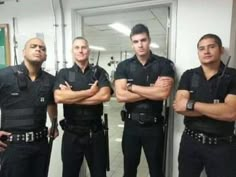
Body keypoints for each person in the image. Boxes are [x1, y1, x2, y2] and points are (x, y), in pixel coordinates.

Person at [114, 24, 175, 177]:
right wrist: (152, 89)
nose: (140, 45)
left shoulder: (164, 64)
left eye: (143, 40)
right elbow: (120, 96)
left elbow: (163, 94)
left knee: (156, 171)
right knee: (129, 170)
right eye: (135, 41)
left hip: (154, 127)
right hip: (131, 126)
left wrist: (132, 87)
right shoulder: (123, 66)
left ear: (149, 40)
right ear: (131, 43)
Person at [173, 34, 236, 177]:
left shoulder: (233, 76)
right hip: (191, 142)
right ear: (198, 53)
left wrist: (192, 104)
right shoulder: (189, 75)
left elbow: (231, 113)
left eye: (211, 47)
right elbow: (179, 107)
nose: (206, 51)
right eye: (201, 48)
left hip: (222, 145)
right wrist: (217, 108)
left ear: (220, 50)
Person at [54, 36, 112, 177]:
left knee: (99, 173)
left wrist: (72, 97)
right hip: (71, 133)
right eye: (77, 47)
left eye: (83, 47)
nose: (80, 50)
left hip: (95, 133)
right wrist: (90, 92)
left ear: (89, 50)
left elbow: (104, 96)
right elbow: (59, 97)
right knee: (69, 173)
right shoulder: (64, 73)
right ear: (72, 51)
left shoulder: (99, 72)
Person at [0, 37, 58, 177]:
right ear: (23, 52)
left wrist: (54, 124)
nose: (38, 49)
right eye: (33, 46)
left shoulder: (50, 80)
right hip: (12, 147)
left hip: (40, 145)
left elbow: (51, 102)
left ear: (45, 56)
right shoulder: (4, 75)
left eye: (42, 48)